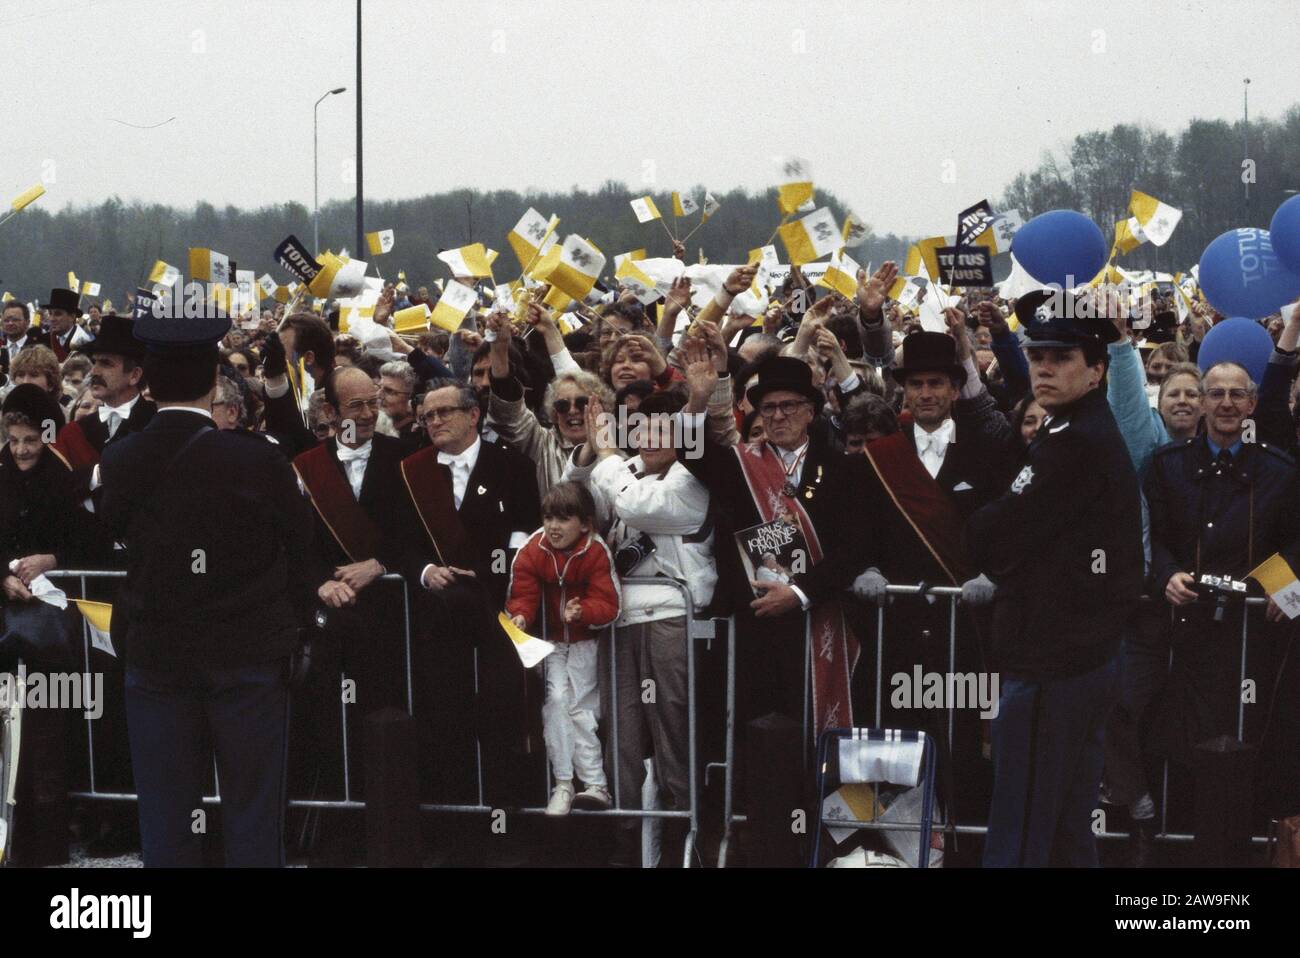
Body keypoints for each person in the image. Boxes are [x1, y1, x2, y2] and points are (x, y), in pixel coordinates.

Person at [98, 310, 315, 867]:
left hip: (158, 653)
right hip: (247, 654)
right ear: (215, 382)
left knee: (165, 811)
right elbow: (300, 547)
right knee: (253, 807)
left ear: (144, 382)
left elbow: (114, 531)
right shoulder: (259, 459)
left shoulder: (120, 459)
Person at [968, 288, 1144, 867]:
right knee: (1067, 824)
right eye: (1037, 354)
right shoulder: (1072, 425)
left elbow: (997, 534)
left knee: (1022, 819)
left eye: (1061, 357)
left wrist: (985, 528)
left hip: (1055, 657)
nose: (1044, 366)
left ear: (1096, 370)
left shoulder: (1075, 440)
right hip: (1079, 653)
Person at [1140, 361, 1300, 830]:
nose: (1226, 404)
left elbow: (1293, 542)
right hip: (1182, 631)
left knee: (1250, 736)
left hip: (1253, 636)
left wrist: (1281, 583)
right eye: (1216, 394)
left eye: (1237, 395)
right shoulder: (1167, 465)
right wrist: (1166, 574)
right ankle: (1173, 834)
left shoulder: (1280, 469)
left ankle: (1242, 837)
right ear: (1203, 402)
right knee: (1174, 735)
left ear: (1252, 403)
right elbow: (1153, 539)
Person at [564, 389, 717, 866]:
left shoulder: (693, 480)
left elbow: (638, 507)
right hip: (620, 619)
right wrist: (592, 450)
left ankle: (684, 836)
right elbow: (576, 500)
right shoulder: (624, 470)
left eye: (662, 429)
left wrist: (607, 456)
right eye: (642, 428)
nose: (649, 438)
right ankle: (628, 837)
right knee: (622, 735)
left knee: (674, 728)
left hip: (673, 618)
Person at [400, 379, 541, 809]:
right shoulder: (412, 469)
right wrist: (425, 571)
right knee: (446, 717)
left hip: (497, 612)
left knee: (501, 713)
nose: (435, 421)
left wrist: (488, 573)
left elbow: (524, 529)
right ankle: (454, 820)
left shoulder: (511, 463)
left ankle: (506, 817)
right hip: (437, 617)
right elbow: (398, 540)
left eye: (445, 412)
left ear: (474, 414)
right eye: (427, 416)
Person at [289, 366, 419, 809]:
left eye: (374, 402)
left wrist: (381, 565)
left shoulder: (406, 458)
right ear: (329, 410)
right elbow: (293, 543)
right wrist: (320, 583)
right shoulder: (306, 467)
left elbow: (421, 536)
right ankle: (334, 823)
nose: (367, 414)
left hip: (393, 622)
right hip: (330, 623)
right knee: (329, 721)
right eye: (356, 405)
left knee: (387, 723)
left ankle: (391, 825)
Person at [506, 481, 621, 815]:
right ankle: (563, 784)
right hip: (553, 643)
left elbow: (610, 603)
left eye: (563, 519)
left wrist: (583, 611)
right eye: (548, 518)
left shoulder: (596, 550)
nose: (553, 527)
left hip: (586, 643)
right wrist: (521, 617)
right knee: (556, 702)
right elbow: (523, 593)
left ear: (584, 523)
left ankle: (596, 785)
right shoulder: (533, 548)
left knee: (581, 710)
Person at [39, 288, 92, 361]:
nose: (51, 319)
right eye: (50, 313)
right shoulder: (43, 340)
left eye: (58, 314)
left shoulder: (84, 342)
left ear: (72, 317)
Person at [1, 300, 35, 379]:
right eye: (6, 320)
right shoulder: (1, 346)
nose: (10, 323)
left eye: (15, 320)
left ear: (27, 322)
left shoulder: (38, 348)